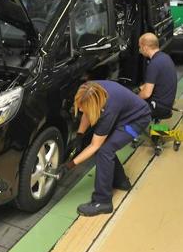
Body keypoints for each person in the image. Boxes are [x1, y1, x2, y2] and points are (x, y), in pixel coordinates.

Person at [52, 81, 152, 217]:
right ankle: (121, 181)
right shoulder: (88, 89)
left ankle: (103, 201)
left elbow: (95, 146)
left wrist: (68, 166)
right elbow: (88, 111)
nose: (80, 110)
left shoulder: (109, 109)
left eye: (83, 107)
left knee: (105, 151)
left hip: (137, 122)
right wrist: (80, 136)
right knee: (103, 147)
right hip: (123, 115)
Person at [138, 33, 177, 120]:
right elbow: (157, 81)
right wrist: (140, 88)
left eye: (140, 47)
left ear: (145, 47)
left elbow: (146, 94)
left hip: (157, 108)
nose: (139, 50)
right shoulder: (165, 57)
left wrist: (134, 98)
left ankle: (128, 131)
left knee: (127, 106)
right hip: (167, 105)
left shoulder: (154, 64)